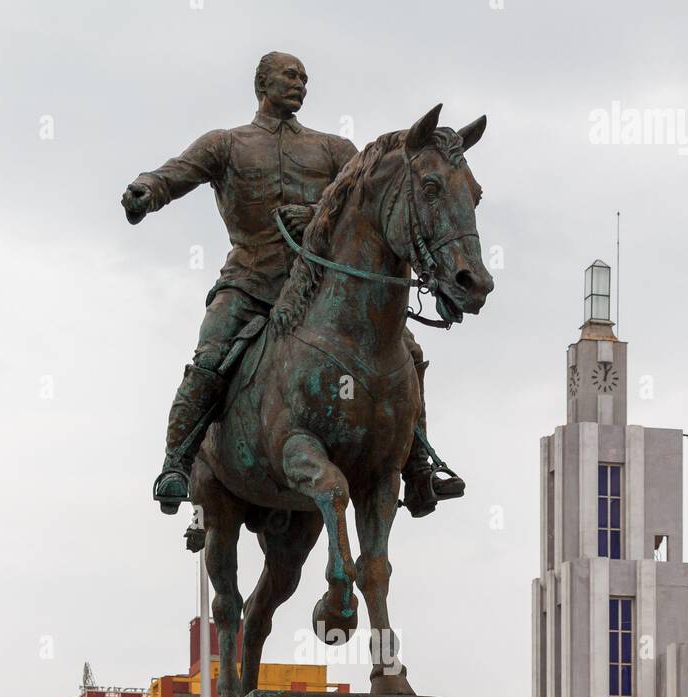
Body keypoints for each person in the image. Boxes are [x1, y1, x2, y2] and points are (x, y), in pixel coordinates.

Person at [122, 51, 465, 519]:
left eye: (304, 77)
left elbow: (362, 192)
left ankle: (419, 465)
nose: (299, 83)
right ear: (262, 84)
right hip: (249, 281)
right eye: (289, 75)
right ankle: (177, 460)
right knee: (210, 356)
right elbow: (176, 173)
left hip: (321, 290)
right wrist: (148, 188)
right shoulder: (227, 144)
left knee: (408, 350)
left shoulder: (332, 149)